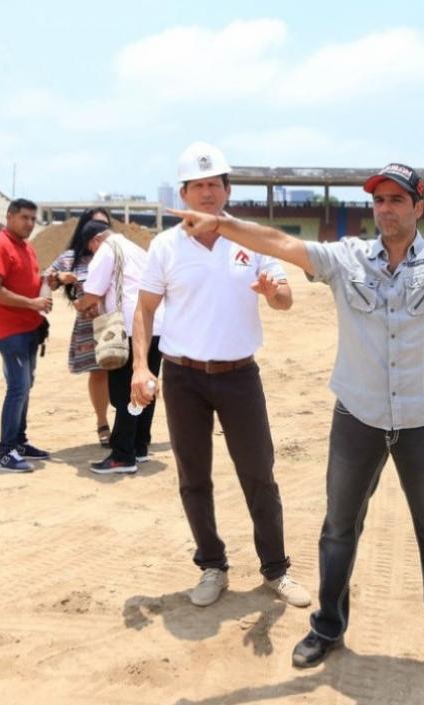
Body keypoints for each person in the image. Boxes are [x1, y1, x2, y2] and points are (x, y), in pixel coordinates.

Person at [162, 161, 424, 689]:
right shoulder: (346, 259)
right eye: (379, 200)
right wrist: (222, 224)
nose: (386, 209)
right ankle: (327, 627)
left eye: (397, 200)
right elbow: (279, 242)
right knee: (338, 530)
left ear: (418, 207)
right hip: (357, 415)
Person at [129, 142, 311, 610]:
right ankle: (213, 566)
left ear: (228, 190)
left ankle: (276, 570)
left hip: (238, 376)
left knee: (259, 473)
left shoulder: (251, 239)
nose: (207, 193)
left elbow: (285, 298)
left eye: (215, 184)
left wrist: (273, 293)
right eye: (198, 186)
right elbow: (145, 309)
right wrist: (141, 366)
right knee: (193, 477)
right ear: (184, 194)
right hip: (183, 377)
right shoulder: (165, 246)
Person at [0, 198, 53, 472]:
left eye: (33, 219)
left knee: (25, 385)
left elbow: (29, 282)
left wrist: (49, 283)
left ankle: (19, 442)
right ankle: (6, 451)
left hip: (29, 328)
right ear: (9, 216)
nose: (30, 224)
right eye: (24, 217)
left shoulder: (26, 247)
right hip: (9, 331)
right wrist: (31, 303)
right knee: (18, 387)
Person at [75, 221, 150, 473]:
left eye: (91, 249)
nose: (93, 252)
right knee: (145, 387)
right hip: (155, 325)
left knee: (123, 392)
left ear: (95, 241)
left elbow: (92, 293)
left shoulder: (107, 249)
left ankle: (122, 456)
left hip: (127, 327)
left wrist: (80, 304)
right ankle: (140, 447)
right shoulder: (136, 249)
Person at [45, 208, 115, 448]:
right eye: (95, 225)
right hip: (89, 326)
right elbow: (45, 280)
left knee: (124, 375)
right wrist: (58, 278)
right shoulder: (70, 258)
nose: (100, 231)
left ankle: (128, 426)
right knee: (99, 373)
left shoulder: (117, 253)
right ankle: (102, 423)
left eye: (105, 225)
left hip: (119, 322)